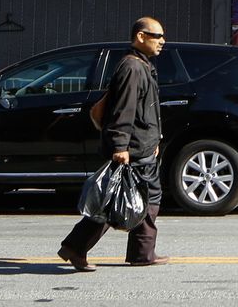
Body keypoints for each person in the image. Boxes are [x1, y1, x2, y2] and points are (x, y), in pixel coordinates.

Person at [58, 17, 168, 271]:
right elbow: (123, 110)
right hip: (132, 149)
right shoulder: (132, 68)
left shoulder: (142, 65)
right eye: (157, 36)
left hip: (143, 146)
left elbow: (146, 111)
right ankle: (77, 246)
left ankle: (141, 252)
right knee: (119, 201)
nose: (162, 41)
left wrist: (155, 139)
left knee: (140, 198)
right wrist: (120, 147)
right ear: (141, 37)